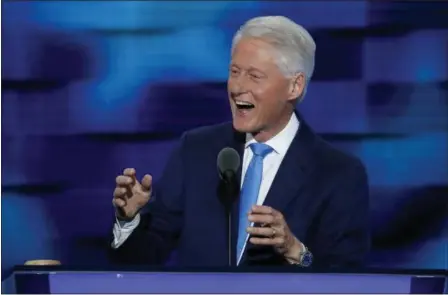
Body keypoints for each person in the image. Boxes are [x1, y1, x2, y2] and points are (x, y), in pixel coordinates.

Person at [110, 16, 370, 268]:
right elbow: (142, 261)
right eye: (235, 72)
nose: (237, 87)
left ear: (295, 86)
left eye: (254, 76)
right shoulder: (196, 151)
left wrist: (295, 251)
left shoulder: (338, 174)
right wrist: (129, 220)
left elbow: (348, 276)